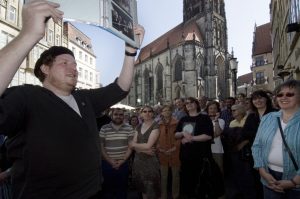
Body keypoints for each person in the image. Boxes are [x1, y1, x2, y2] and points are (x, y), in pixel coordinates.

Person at [0, 1, 145, 198]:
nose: (73, 68)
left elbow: (121, 87)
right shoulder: (27, 97)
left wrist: (130, 51)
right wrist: (29, 34)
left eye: (75, 64)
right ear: (45, 68)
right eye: (65, 63)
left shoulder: (83, 98)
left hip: (92, 192)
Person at [252, 80, 300, 198]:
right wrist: (262, 170)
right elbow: (257, 145)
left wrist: (294, 182)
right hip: (269, 176)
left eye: (289, 94)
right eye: (280, 95)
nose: (283, 97)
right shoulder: (268, 118)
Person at [175, 97, 214, 198]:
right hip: (185, 156)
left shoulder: (204, 118)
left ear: (197, 104)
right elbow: (175, 135)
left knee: (200, 184)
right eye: (187, 103)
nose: (189, 104)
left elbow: (208, 135)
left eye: (191, 102)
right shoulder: (183, 119)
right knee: (187, 184)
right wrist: (182, 133)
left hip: (201, 156)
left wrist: (191, 138)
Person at [242, 90, 277, 199]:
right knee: (257, 181)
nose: (258, 101)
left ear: (266, 99)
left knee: (274, 180)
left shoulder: (276, 113)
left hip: (273, 152)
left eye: (261, 98)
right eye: (255, 99)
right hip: (256, 153)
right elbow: (245, 133)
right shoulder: (252, 116)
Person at [99, 108, 134, 199]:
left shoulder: (129, 128)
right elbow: (101, 147)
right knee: (107, 190)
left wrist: (122, 161)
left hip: (123, 163)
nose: (118, 116)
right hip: (107, 164)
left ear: (124, 116)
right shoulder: (104, 128)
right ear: (112, 115)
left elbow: (130, 146)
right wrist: (110, 161)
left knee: (122, 190)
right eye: (116, 114)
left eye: (121, 114)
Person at [130, 106, 161, 199]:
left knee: (153, 189)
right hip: (139, 161)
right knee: (143, 189)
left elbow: (148, 145)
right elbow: (133, 144)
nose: (147, 113)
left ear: (153, 113)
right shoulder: (138, 126)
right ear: (141, 114)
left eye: (149, 111)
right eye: (145, 111)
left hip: (150, 161)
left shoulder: (156, 126)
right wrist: (143, 149)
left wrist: (135, 146)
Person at [157, 105, 180, 199]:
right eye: (164, 110)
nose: (166, 112)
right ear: (161, 113)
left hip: (175, 153)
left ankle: (176, 196)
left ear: (171, 112)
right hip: (162, 153)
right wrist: (160, 148)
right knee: (163, 177)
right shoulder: (158, 124)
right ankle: (163, 196)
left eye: (168, 110)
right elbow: (156, 139)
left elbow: (180, 137)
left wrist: (175, 148)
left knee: (176, 177)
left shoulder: (177, 123)